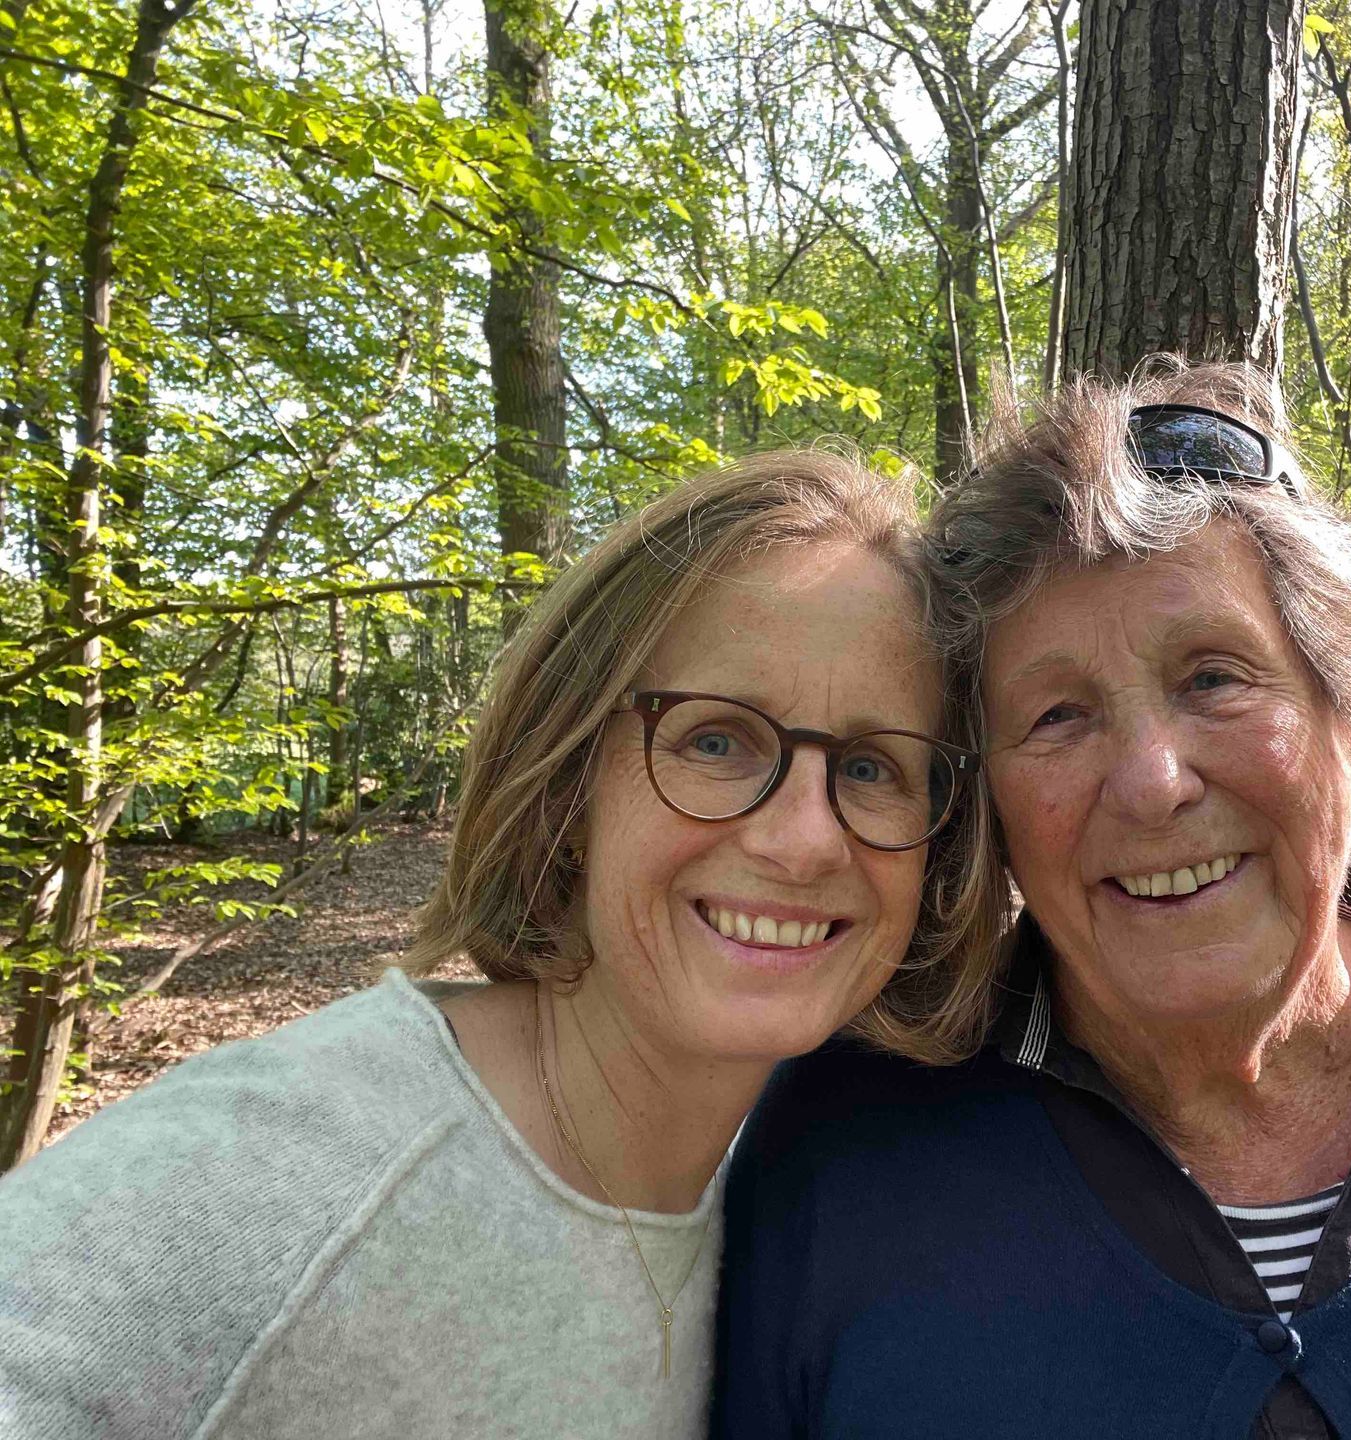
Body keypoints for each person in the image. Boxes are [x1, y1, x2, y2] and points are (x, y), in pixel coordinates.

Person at [715, 363, 1351, 1439]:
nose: (1153, 783)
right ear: (988, 802)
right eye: (1059, 715)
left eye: (1213, 678)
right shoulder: (845, 1147)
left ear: (1347, 709)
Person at [0, 451, 1004, 1440]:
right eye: (715, 741)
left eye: (872, 767)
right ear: (570, 786)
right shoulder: (278, 1177)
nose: (804, 840)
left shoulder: (802, 1179)